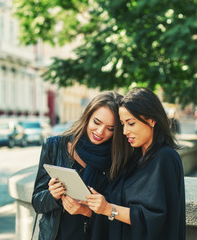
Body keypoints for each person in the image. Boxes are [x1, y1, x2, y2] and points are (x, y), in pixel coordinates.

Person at [87, 87, 186, 240]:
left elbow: (155, 218)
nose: (125, 131)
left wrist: (109, 209)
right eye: (122, 124)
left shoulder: (165, 158)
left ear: (152, 120)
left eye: (131, 123)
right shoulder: (134, 159)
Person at [31, 91, 130, 240]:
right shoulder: (54, 146)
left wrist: (87, 212)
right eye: (96, 122)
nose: (100, 132)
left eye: (111, 128)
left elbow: (120, 215)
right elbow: (37, 203)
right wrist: (53, 195)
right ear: (87, 117)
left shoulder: (120, 158)